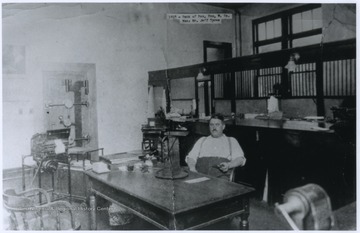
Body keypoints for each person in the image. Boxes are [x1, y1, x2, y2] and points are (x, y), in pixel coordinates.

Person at [185, 113, 246, 179]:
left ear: (223, 126)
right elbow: (191, 157)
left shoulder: (231, 141)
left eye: (217, 124)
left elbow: (240, 159)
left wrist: (229, 165)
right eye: (211, 125)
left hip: (221, 178)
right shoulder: (202, 140)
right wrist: (192, 168)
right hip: (199, 175)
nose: (214, 127)